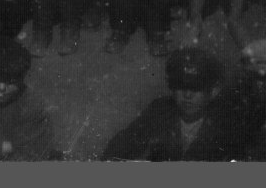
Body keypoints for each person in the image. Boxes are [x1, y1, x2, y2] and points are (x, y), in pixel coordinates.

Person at [103, 47, 253, 160]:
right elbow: (125, 142)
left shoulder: (227, 122)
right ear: (172, 88)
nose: (187, 95)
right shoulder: (160, 110)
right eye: (181, 87)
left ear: (213, 91)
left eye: (196, 89)